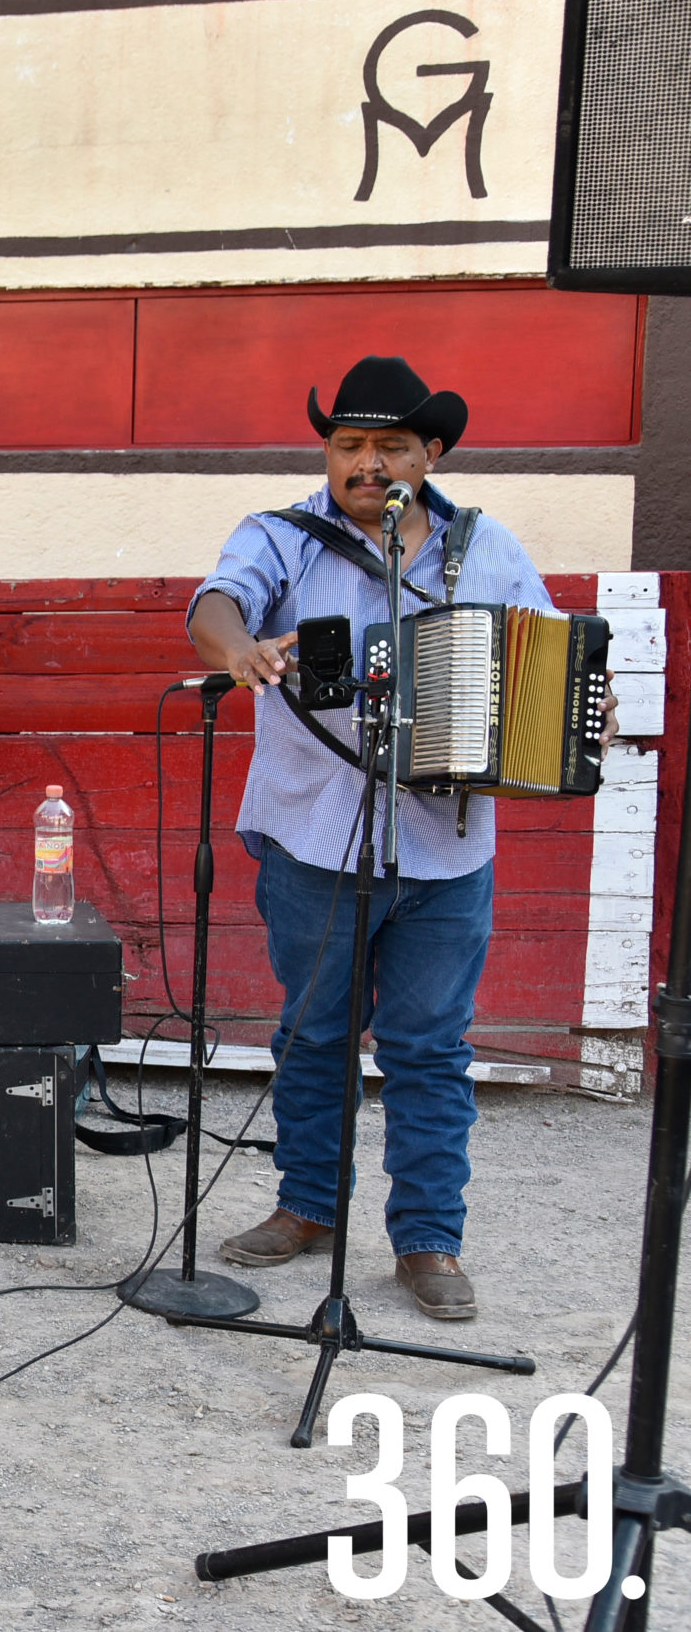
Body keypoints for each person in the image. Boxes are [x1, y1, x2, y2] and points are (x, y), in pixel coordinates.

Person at [188, 354, 569, 1322]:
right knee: (311, 1034)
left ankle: (427, 1236)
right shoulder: (282, 536)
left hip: (447, 846)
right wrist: (238, 649)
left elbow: (546, 658)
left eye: (388, 445)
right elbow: (217, 602)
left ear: (428, 452)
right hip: (313, 834)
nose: (365, 462)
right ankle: (308, 1204)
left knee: (428, 1048)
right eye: (347, 444)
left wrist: (549, 725)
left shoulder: (485, 546)